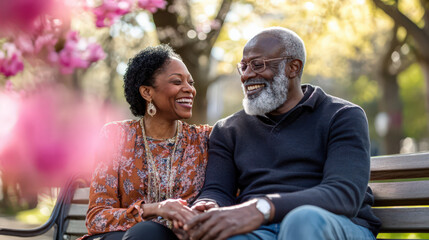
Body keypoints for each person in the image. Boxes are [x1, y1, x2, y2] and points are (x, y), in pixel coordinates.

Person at [184, 27, 381, 240]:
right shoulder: (228, 129)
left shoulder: (342, 116)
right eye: (243, 67)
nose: (247, 75)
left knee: (303, 220)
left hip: (333, 224)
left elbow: (343, 195)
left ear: (293, 67)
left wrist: (262, 207)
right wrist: (209, 205)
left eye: (258, 65)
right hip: (259, 230)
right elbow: (218, 189)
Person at [80, 44, 211, 240]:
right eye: (177, 82)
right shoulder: (116, 136)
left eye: (190, 83)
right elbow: (96, 218)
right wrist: (155, 209)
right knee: (144, 233)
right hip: (121, 237)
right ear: (147, 93)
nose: (189, 89)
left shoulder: (203, 140)